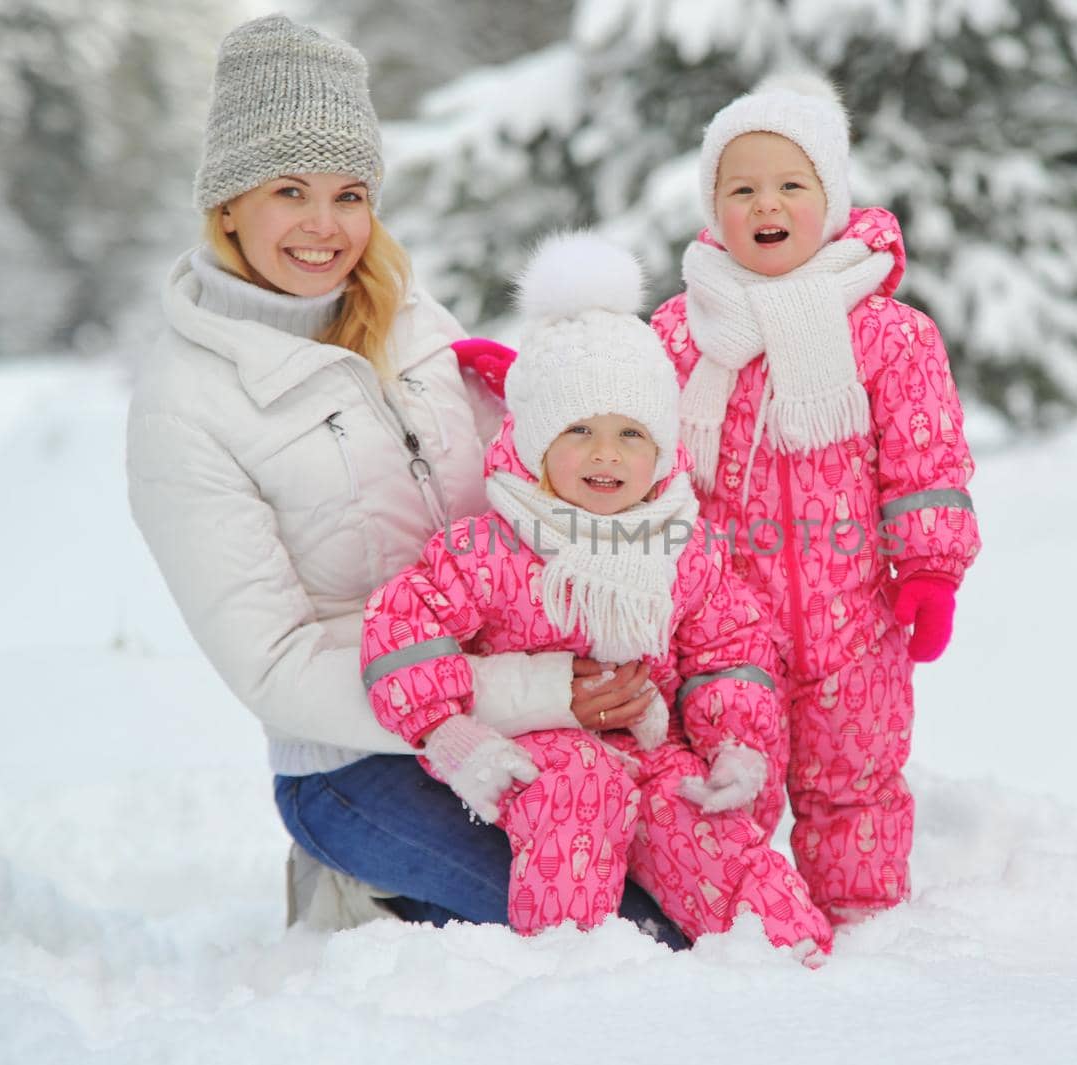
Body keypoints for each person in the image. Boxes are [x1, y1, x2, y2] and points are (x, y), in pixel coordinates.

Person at [125, 14, 680, 941]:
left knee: (693, 885)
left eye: (350, 194)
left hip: (538, 699)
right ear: (228, 203)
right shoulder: (186, 407)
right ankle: (360, 885)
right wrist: (540, 689)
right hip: (357, 760)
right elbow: (277, 667)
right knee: (621, 927)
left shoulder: (410, 318)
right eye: (289, 190)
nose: (324, 226)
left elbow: (522, 480)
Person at [359, 233, 832, 956]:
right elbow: (402, 624)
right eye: (577, 429)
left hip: (655, 745)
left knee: (697, 818)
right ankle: (572, 971)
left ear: (664, 447)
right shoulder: (492, 547)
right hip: (548, 754)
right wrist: (448, 733)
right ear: (537, 443)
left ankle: (791, 959)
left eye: (630, 432)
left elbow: (731, 649)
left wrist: (737, 744)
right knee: (581, 788)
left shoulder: (682, 546)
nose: (606, 453)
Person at [650, 75, 983, 925]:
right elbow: (633, 449)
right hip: (726, 633)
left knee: (856, 786)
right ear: (713, 207)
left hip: (856, 622)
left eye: (790, 184)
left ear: (829, 200)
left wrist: (931, 569)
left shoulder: (888, 333)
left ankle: (863, 922)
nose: (767, 203)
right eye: (742, 187)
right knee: (730, 786)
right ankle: (744, 931)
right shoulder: (682, 334)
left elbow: (925, 457)